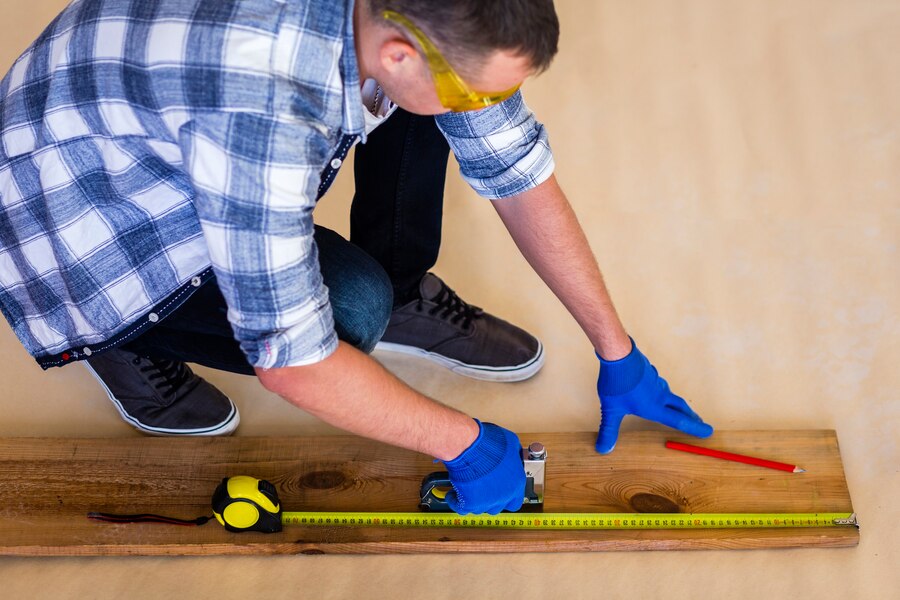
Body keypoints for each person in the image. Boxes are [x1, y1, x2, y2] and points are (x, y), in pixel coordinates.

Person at [0, 0, 713, 515]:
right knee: (353, 309)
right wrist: (467, 446)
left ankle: (405, 288)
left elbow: (511, 161)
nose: (492, 106)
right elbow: (292, 358)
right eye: (482, 90)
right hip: (83, 225)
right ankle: (115, 339)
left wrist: (617, 351)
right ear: (399, 53)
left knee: (434, 112)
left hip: (156, 129)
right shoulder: (263, 110)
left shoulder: (417, 26)